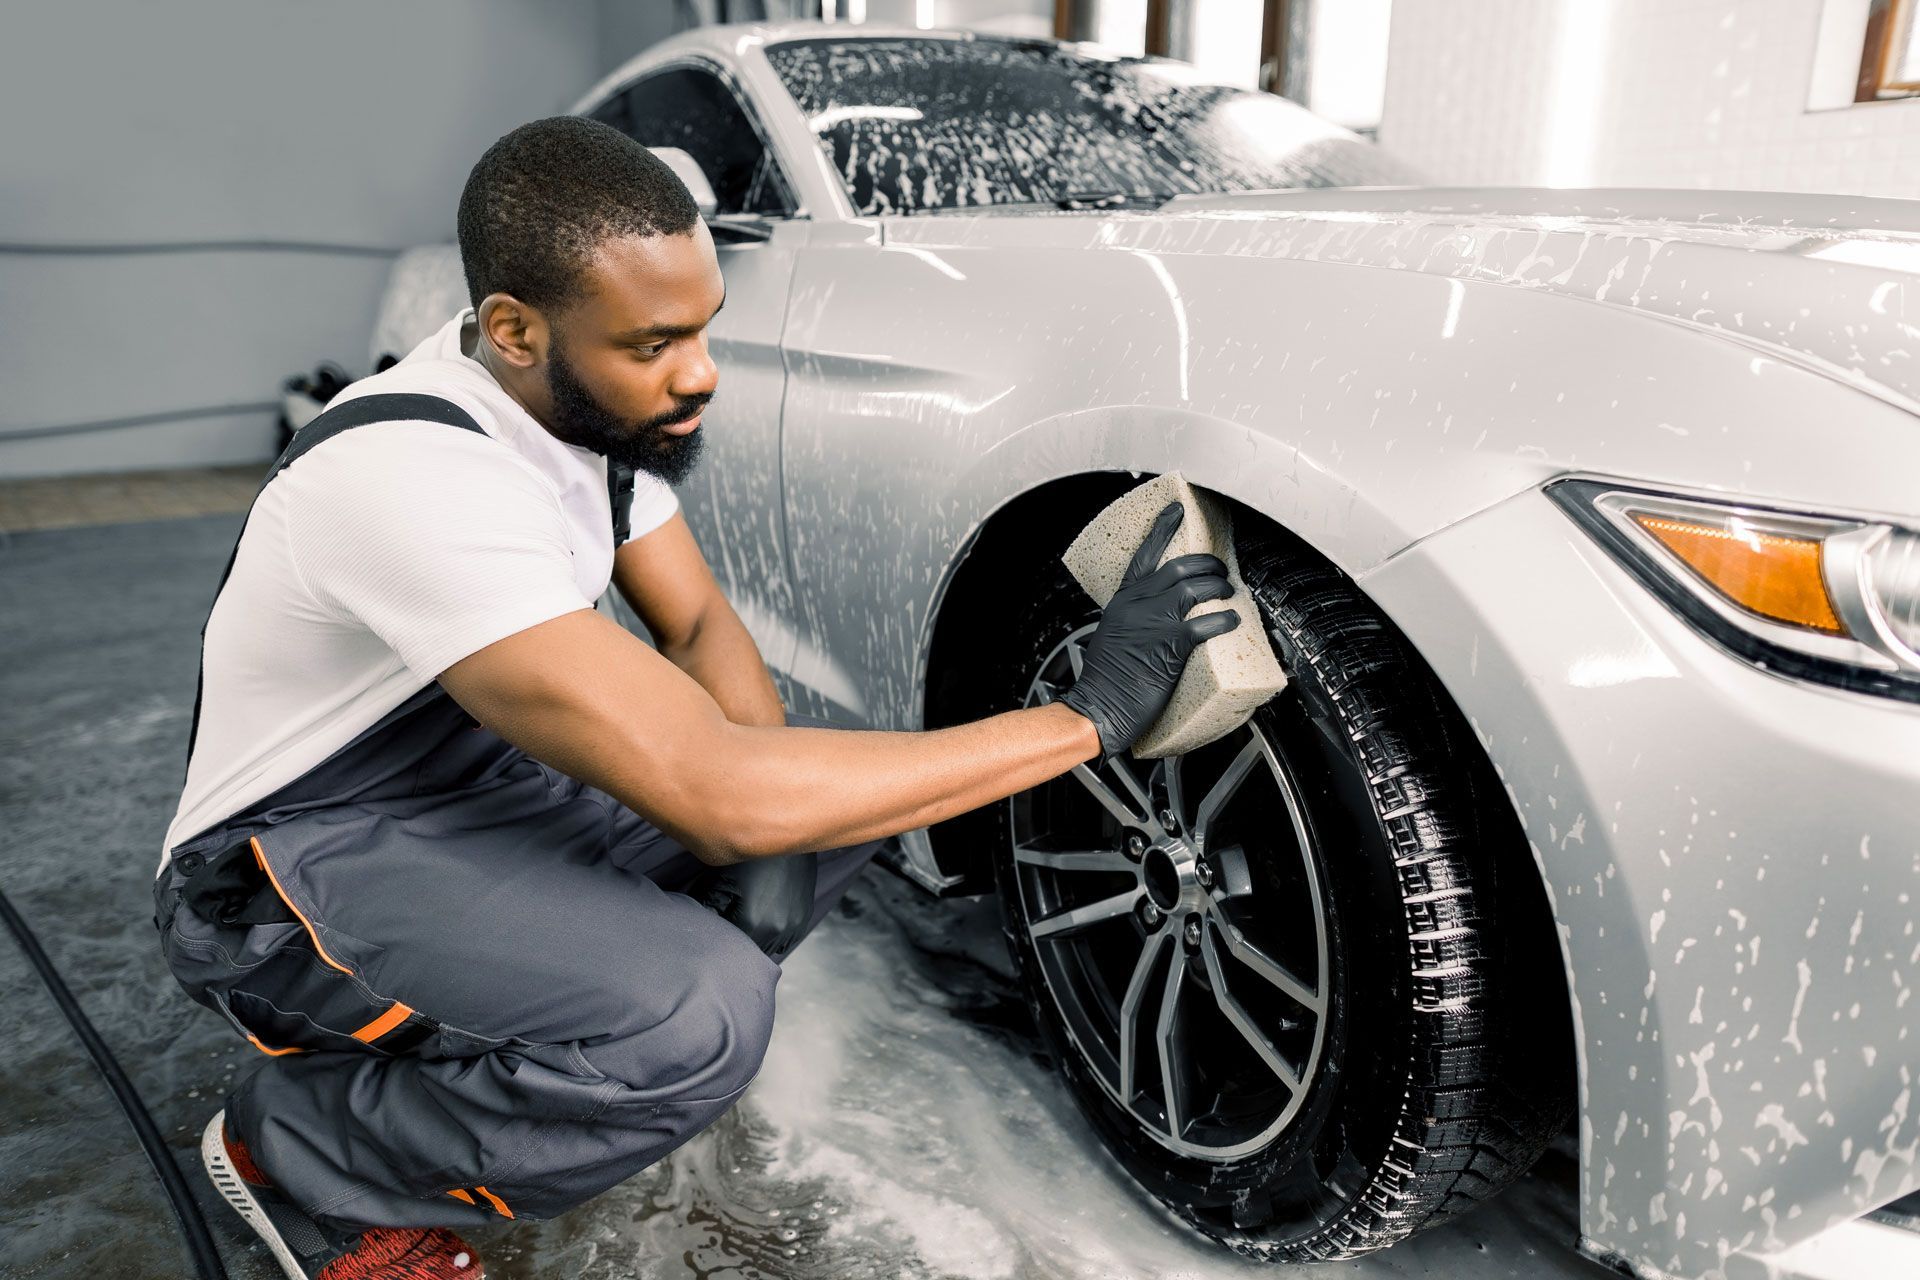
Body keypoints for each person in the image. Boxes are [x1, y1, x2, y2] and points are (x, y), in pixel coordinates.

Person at [152, 115, 1240, 1279]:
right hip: (279, 880)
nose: (701, 371)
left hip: (465, 796)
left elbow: (696, 622)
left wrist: (766, 845)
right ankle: (306, 1152)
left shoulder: (574, 408)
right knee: (696, 1010)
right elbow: (722, 791)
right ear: (514, 329)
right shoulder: (413, 477)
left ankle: (560, 1044)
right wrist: (1090, 715)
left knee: (834, 807)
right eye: (658, 342)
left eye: (706, 327)